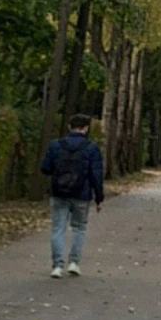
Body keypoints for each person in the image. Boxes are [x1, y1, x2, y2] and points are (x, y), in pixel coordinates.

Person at [39, 113, 105, 278]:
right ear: (86, 128)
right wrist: (98, 198)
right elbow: (96, 175)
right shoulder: (91, 148)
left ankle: (57, 266)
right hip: (81, 194)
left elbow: (45, 168)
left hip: (59, 193)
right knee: (79, 228)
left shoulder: (56, 145)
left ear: (69, 127)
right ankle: (74, 263)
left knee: (58, 228)